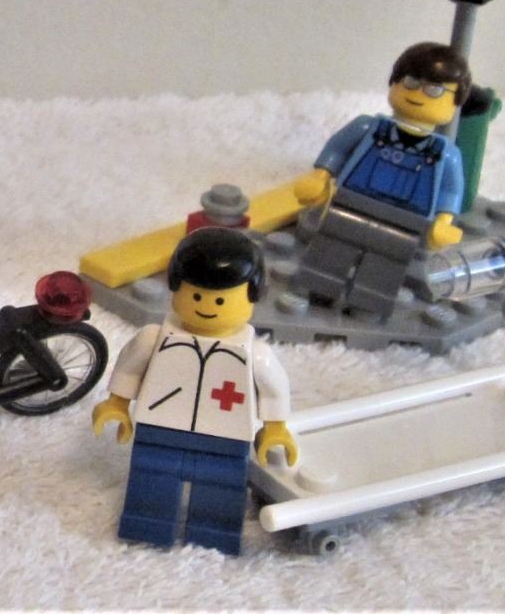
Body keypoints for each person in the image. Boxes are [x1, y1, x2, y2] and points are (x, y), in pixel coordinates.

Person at [92, 228, 295, 555]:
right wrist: (116, 404)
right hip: (160, 427)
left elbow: (273, 390)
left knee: (221, 486)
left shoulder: (254, 355)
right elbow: (129, 368)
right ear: (176, 288)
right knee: (152, 476)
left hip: (226, 436)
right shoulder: (154, 338)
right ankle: (147, 524)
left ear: (251, 296)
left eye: (220, 299)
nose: (207, 306)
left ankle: (213, 532)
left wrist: (275, 428)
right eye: (197, 296)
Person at [292, 42, 469, 317]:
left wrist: (444, 222)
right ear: (394, 83)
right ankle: (319, 292)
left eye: (434, 90)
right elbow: (337, 150)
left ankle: (366, 306)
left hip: (406, 220)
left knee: (385, 264)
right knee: (333, 247)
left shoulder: (447, 154)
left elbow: (450, 192)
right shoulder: (367, 127)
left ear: (455, 102)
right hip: (350, 203)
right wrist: (320, 175)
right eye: (410, 82)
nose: (417, 94)